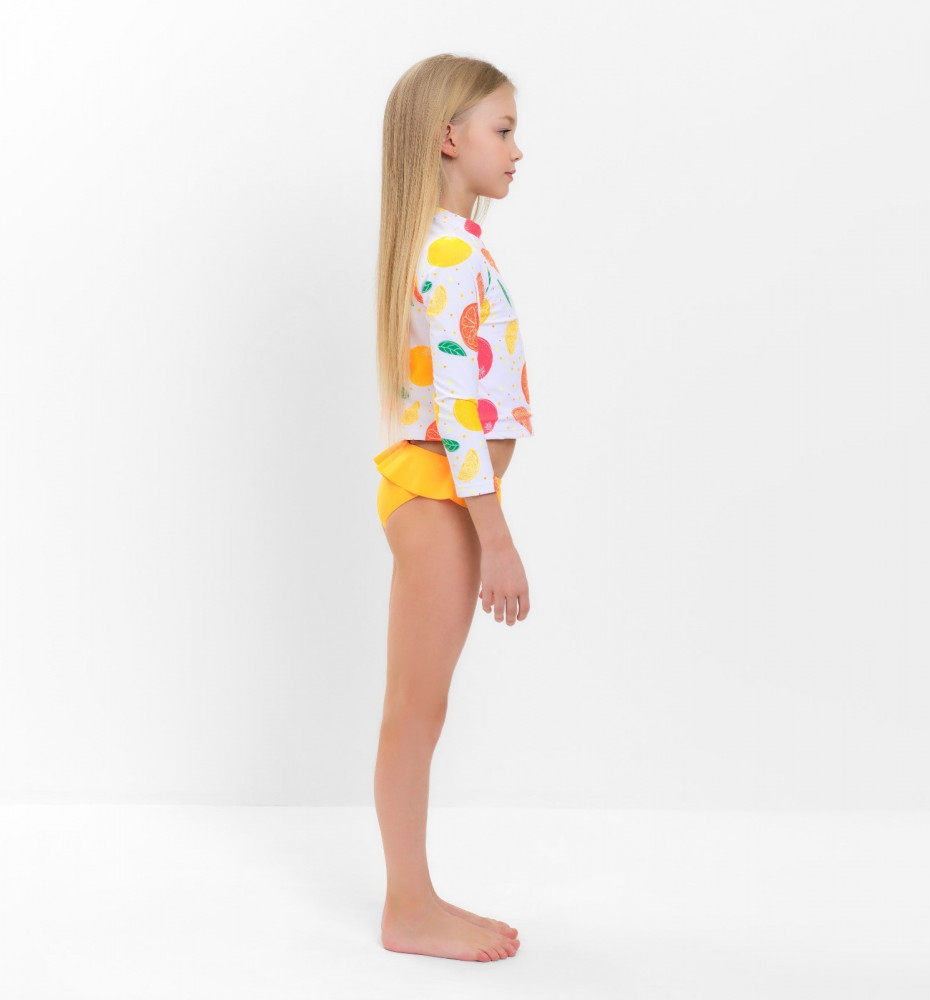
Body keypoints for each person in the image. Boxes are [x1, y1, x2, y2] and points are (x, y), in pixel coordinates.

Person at [371, 54, 532, 962]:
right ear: (448, 138)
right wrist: (496, 539)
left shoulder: (446, 245)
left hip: (436, 493)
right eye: (502, 130)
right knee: (416, 708)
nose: (516, 150)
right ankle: (409, 908)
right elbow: (464, 415)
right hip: (441, 495)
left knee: (417, 707)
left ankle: (414, 899)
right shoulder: (448, 251)